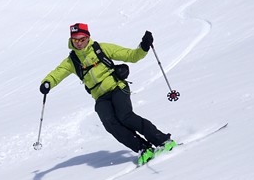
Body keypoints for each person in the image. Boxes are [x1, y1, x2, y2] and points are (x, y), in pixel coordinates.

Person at [40, 23, 175, 165]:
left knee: (125, 116)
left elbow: (131, 56)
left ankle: (163, 141)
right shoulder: (72, 61)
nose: (79, 43)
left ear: (88, 37)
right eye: (75, 40)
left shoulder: (101, 49)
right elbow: (58, 73)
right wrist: (47, 82)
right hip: (100, 96)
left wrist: (144, 46)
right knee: (110, 123)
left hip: (117, 87)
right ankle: (143, 148)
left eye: (82, 39)